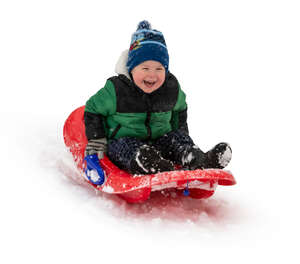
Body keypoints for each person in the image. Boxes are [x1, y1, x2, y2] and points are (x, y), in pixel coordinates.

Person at [83, 20, 232, 185]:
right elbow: (92, 109)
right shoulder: (117, 90)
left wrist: (181, 135)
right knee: (126, 148)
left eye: (159, 69)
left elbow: (180, 110)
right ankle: (149, 163)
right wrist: (97, 139)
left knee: (176, 141)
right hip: (124, 140)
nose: (152, 76)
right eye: (145, 69)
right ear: (131, 68)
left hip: (161, 140)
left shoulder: (171, 88)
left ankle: (199, 159)